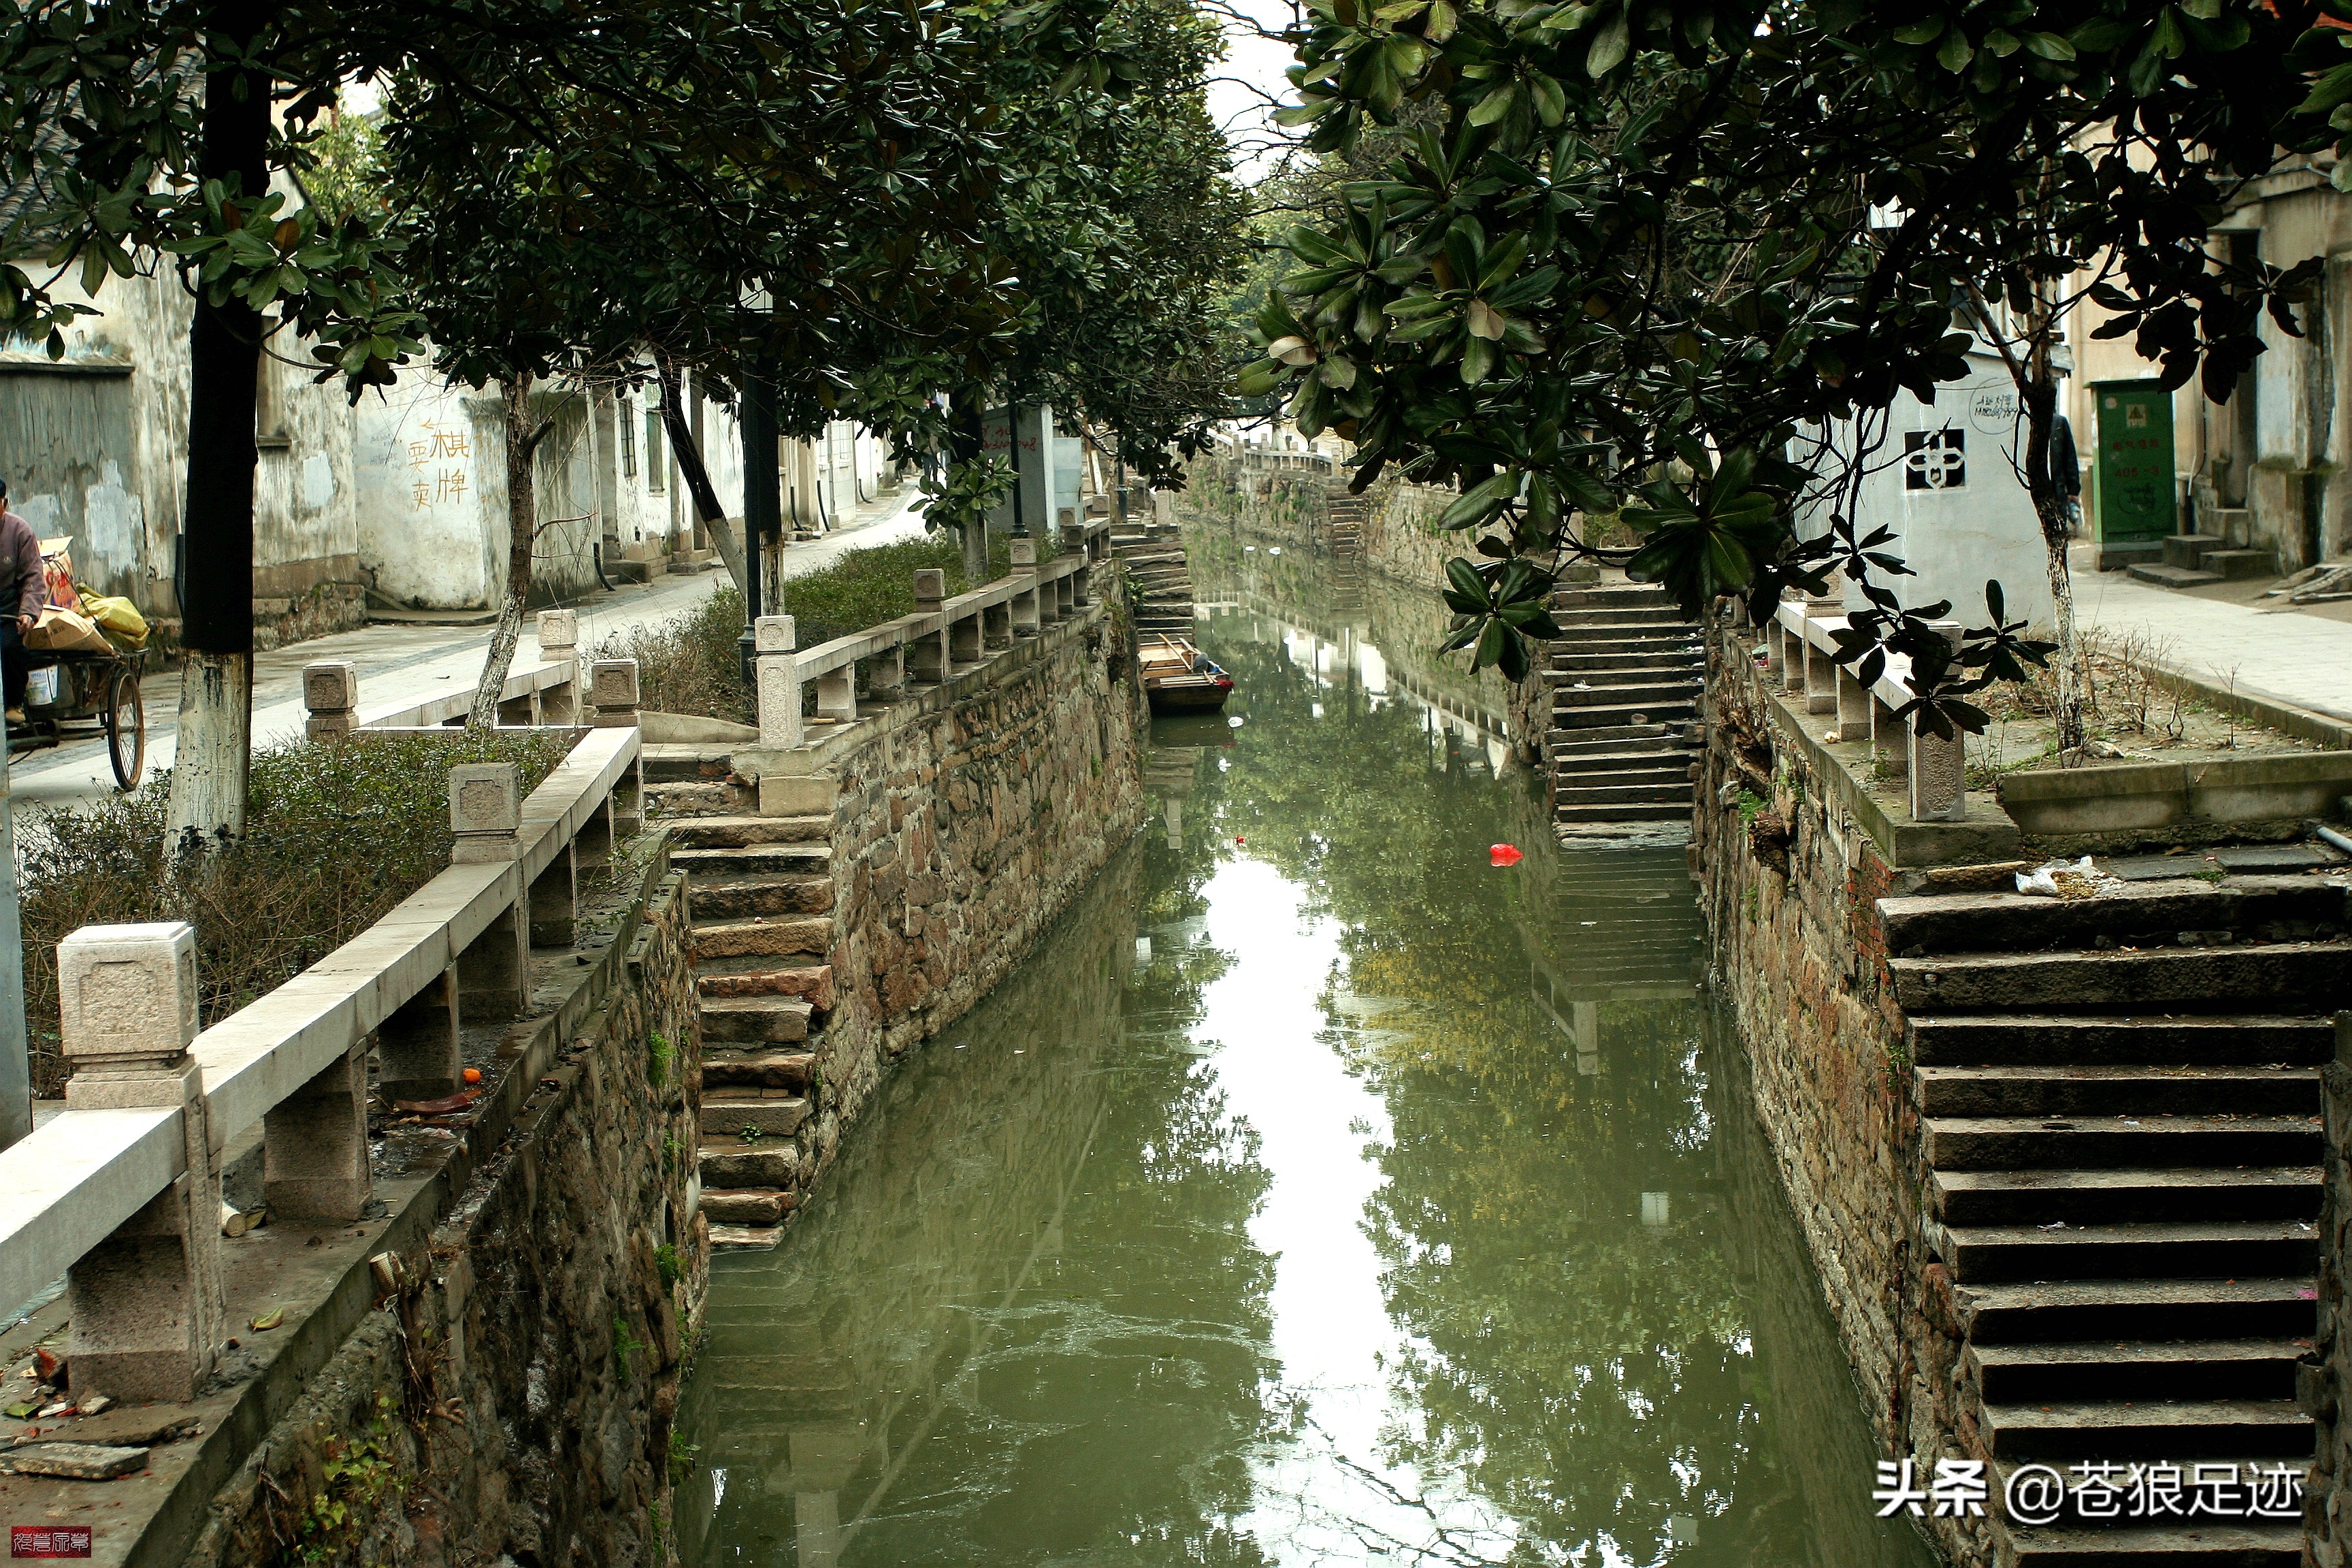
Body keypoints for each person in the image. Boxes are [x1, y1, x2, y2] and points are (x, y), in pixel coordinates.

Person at [0, 480, 46, 725]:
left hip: (9, 607)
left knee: (9, 648)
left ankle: (14, 704)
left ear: (4, 504)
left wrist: (27, 613)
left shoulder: (19, 532)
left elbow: (33, 577)